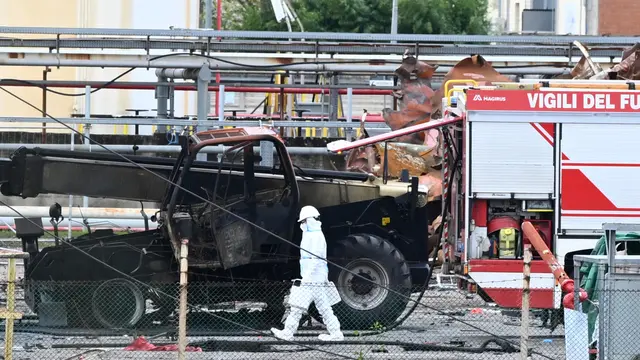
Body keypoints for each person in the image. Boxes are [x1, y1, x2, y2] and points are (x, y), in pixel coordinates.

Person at [271, 205, 344, 342]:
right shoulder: (311, 235)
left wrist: (307, 277)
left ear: (310, 220)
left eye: (304, 221)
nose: (303, 224)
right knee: (322, 307)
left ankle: (288, 332)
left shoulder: (315, 236)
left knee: (297, 305)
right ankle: (335, 333)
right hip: (314, 277)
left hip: (312, 277)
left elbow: (315, 258)